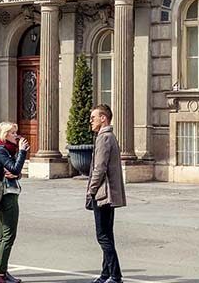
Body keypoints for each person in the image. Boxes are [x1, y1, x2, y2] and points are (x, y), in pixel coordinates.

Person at [86, 103, 126, 283]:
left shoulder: (104, 138)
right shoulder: (109, 136)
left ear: (103, 118)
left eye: (93, 118)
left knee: (102, 236)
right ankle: (105, 274)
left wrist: (91, 190)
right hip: (108, 194)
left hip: (103, 194)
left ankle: (115, 276)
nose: (91, 121)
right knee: (107, 235)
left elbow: (99, 168)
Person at [0, 122, 29, 283]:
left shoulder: (7, 150)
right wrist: (22, 152)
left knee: (4, 235)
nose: (17, 136)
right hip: (7, 195)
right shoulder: (1, 151)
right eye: (13, 133)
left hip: (10, 192)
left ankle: (2, 271)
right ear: (5, 134)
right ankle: (0, 275)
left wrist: (16, 173)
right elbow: (14, 168)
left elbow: (14, 172)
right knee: (8, 235)